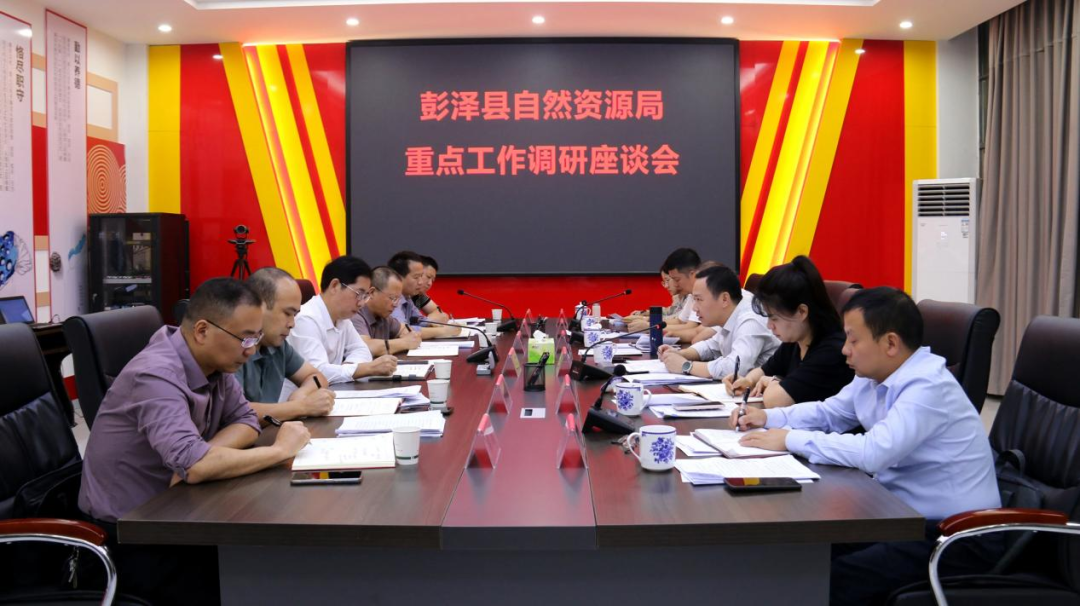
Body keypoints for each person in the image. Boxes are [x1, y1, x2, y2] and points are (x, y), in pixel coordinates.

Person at [732, 287, 1002, 605]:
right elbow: (830, 413)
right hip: (900, 517)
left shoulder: (928, 387)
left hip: (956, 534)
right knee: (802, 553)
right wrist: (767, 417)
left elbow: (873, 453)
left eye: (853, 340)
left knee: (831, 578)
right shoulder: (872, 376)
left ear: (890, 343)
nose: (844, 350)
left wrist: (790, 438)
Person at [78, 278, 311, 605]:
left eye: (256, 337)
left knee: (276, 562)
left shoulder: (216, 364)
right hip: (130, 538)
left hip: (180, 511)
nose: (251, 350)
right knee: (262, 572)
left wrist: (203, 456)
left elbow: (246, 420)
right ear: (202, 330)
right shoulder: (156, 374)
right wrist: (280, 451)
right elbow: (197, 465)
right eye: (246, 338)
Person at [722, 256, 853, 408]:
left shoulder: (831, 351)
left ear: (801, 312)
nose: (769, 325)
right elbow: (765, 370)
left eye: (774, 318)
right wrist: (748, 381)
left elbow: (775, 401)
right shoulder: (796, 340)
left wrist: (774, 381)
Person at [238, 267, 336, 423]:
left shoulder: (277, 345)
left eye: (295, 315)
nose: (292, 324)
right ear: (258, 307)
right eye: (287, 313)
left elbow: (316, 377)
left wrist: (301, 395)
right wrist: (301, 407)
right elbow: (236, 412)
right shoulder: (233, 347)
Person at [286, 256, 398, 391]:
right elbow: (317, 373)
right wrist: (366, 368)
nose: (362, 303)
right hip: (297, 401)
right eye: (359, 294)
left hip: (332, 394)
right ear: (335, 286)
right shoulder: (306, 319)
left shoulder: (343, 318)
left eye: (365, 296)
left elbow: (362, 350)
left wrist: (348, 368)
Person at [658, 264, 780, 379]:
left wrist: (686, 366)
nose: (694, 308)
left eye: (699, 300)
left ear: (724, 299)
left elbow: (736, 368)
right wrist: (680, 354)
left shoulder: (751, 319)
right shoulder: (730, 311)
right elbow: (712, 346)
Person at [627, 248, 701, 336]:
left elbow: (691, 327)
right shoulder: (691, 295)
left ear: (693, 274)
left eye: (677, 279)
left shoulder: (705, 292)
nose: (675, 285)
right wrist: (649, 323)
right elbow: (680, 321)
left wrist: (649, 326)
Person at [353, 266, 423, 356]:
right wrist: (405, 342)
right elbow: (366, 347)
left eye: (398, 299)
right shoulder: (355, 313)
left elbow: (404, 330)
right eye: (393, 298)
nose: (396, 304)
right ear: (372, 292)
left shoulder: (384, 317)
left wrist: (411, 336)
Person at [387, 250, 458, 337]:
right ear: (398, 277)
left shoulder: (409, 296)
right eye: (416, 277)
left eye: (421, 276)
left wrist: (431, 323)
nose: (421, 282)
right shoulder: (391, 298)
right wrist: (443, 331)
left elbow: (421, 320)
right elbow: (403, 331)